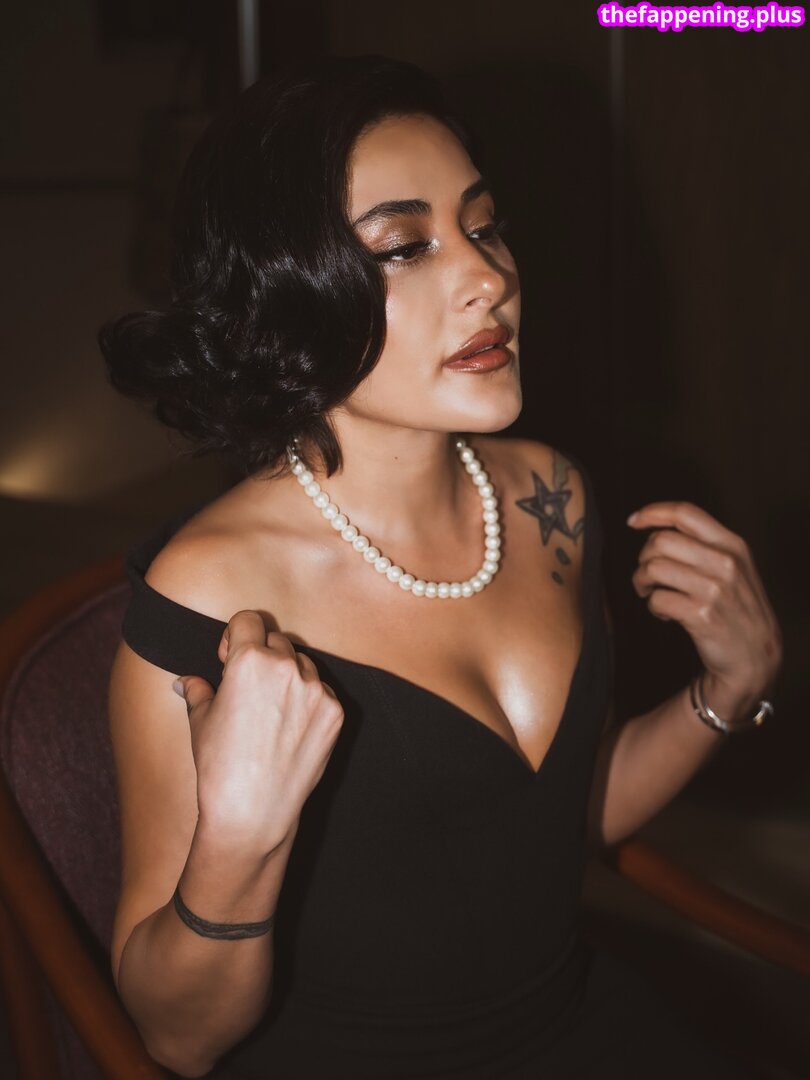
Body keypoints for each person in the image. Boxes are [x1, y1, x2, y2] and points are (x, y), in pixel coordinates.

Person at [99, 53, 782, 1079]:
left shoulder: (554, 497)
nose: (489, 279)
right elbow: (179, 1041)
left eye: (485, 225)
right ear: (285, 292)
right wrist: (237, 846)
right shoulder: (209, 600)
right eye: (403, 247)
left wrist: (730, 688)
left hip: (576, 1028)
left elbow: (559, 822)